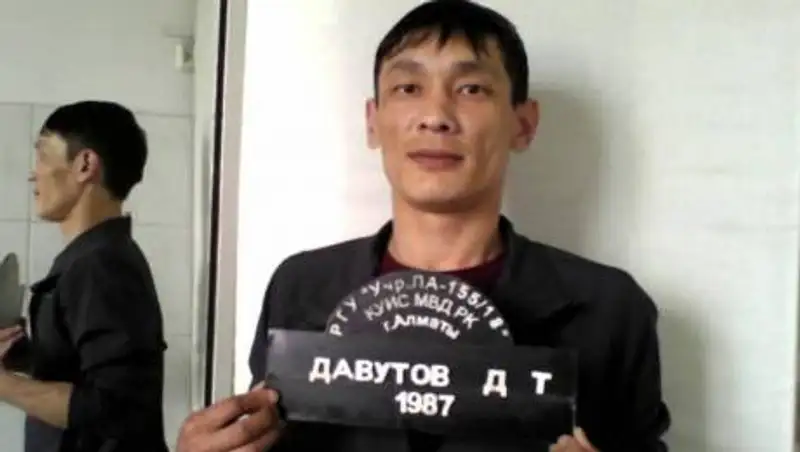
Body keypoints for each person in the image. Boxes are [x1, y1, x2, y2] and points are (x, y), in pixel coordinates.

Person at [177, 1, 671, 451]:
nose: (435, 116)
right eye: (408, 88)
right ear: (373, 121)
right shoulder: (300, 288)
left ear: (523, 124)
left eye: (471, 89)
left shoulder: (610, 310)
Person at [0, 101, 169, 452]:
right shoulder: (92, 258)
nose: (34, 174)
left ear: (85, 165)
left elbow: (117, 408)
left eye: (43, 155)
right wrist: (26, 357)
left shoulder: (101, 266)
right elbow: (87, 372)